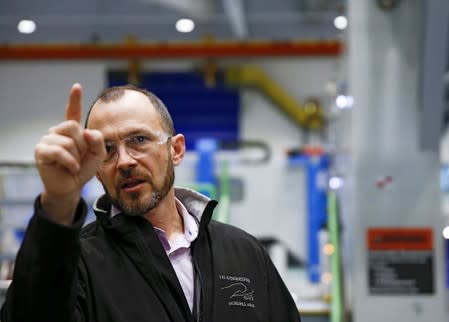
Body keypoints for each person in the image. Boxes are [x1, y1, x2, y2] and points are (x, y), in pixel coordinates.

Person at [1, 83, 301, 322]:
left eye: (139, 140)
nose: (124, 161)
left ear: (176, 150)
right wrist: (58, 202)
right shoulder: (79, 263)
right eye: (107, 149)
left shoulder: (242, 252)